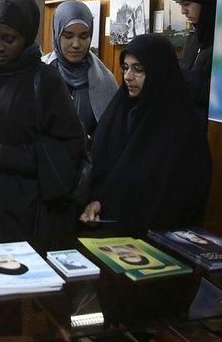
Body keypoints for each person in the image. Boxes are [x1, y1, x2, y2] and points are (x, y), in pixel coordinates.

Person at [0, 0, 85, 239]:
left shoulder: (46, 81)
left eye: (9, 39)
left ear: (26, 38)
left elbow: (69, 149)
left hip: (25, 206)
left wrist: (6, 154)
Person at [80, 34, 212, 232]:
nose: (127, 77)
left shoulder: (180, 127)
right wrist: (98, 201)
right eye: (125, 67)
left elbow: (180, 194)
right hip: (109, 236)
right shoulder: (119, 112)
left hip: (158, 239)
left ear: (159, 71)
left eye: (138, 70)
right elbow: (103, 170)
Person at [42, 0, 117, 147]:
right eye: (68, 36)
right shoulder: (41, 73)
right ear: (57, 34)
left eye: (84, 37)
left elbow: (113, 131)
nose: (76, 44)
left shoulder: (105, 80)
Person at [171, 0, 219, 125]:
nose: (183, 11)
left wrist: (183, 77)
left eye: (187, 4)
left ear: (205, 0)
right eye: (179, 5)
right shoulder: (192, 39)